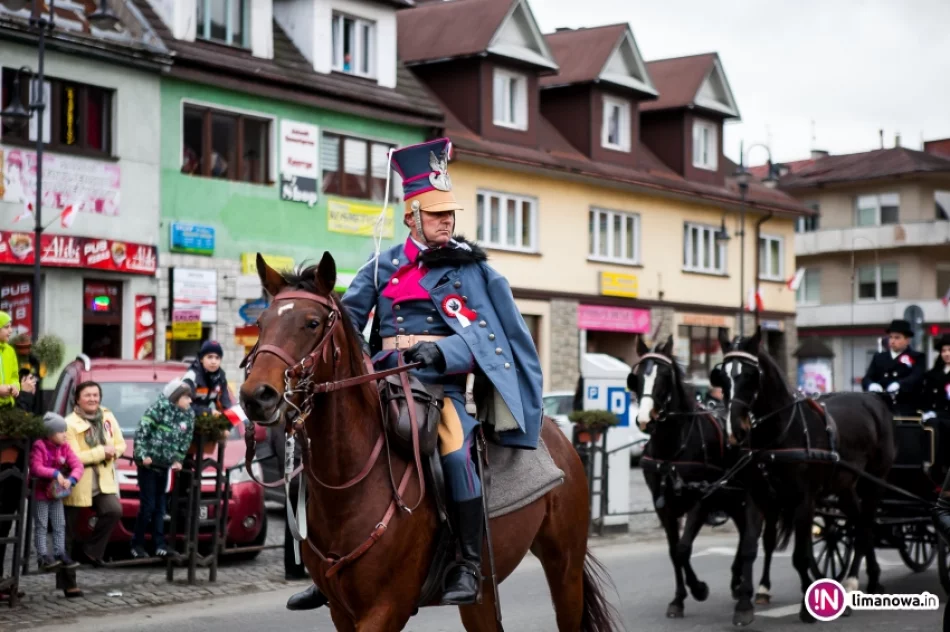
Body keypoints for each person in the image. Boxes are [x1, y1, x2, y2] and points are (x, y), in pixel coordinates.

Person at [284, 137, 544, 610]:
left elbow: (491, 340)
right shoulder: (381, 267)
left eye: (451, 214)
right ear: (411, 217)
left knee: (454, 449)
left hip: (440, 389)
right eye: (437, 213)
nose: (448, 221)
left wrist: (441, 352)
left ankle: (466, 562)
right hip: (382, 383)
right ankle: (321, 567)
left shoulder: (472, 273)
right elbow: (347, 324)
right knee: (316, 450)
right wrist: (364, 364)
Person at [130, 379, 195, 559]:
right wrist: (143, 456)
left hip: (165, 468)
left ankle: (159, 544)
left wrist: (178, 459)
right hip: (149, 466)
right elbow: (142, 433)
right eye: (186, 397)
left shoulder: (188, 416)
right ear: (175, 397)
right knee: (148, 506)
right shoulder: (157, 409)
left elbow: (185, 441)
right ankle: (137, 543)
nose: (190, 401)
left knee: (160, 507)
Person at [62, 382, 125, 567]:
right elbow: (72, 457)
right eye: (88, 395)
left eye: (96, 395)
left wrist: (113, 452)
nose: (92, 399)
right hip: (77, 482)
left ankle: (90, 551)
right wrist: (101, 452)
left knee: (113, 510)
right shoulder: (69, 423)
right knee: (68, 533)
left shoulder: (107, 416)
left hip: (102, 481)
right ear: (78, 399)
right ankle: (67, 580)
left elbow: (120, 444)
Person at [30, 413, 83, 571]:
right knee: (41, 525)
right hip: (40, 493)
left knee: (60, 523)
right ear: (50, 433)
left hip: (57, 493)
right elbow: (36, 467)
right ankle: (43, 556)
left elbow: (78, 465)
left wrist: (72, 479)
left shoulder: (65, 447)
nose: (65, 435)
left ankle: (60, 553)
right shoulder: (39, 446)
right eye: (61, 432)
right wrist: (55, 473)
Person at [861, 319, 925, 417]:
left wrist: (900, 384)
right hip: (881, 406)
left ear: (907, 340)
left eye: (897, 338)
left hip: (905, 408)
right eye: (890, 337)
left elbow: (916, 377)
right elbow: (867, 377)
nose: (892, 341)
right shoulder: (879, 357)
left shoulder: (917, 357)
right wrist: (871, 385)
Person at [183, 340, 233, 417]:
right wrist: (209, 412)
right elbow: (184, 406)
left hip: (204, 421)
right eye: (209, 357)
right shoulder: (191, 377)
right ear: (201, 359)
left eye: (217, 358)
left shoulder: (220, 378)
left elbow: (226, 405)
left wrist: (225, 425)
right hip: (185, 422)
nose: (214, 361)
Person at [0, 311, 20, 409]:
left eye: (10, 326)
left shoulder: (10, 351)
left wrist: (15, 387)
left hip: (8, 407)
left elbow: (14, 377)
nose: (11, 330)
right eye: (6, 327)